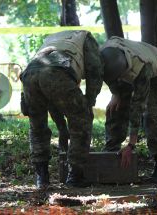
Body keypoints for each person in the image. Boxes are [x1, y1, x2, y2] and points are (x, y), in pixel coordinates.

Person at [20, 30, 103, 188]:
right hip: (56, 71)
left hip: (29, 74)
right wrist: (89, 102)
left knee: (37, 127)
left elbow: (52, 98)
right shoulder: (87, 38)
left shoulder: (53, 38)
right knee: (82, 119)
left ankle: (41, 178)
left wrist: (62, 128)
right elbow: (95, 71)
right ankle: (75, 176)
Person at [100, 36, 157, 183]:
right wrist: (115, 94)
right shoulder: (102, 56)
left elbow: (138, 105)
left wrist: (131, 144)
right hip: (126, 71)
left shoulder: (142, 68)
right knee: (115, 107)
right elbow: (107, 77)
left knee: (153, 114)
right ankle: (110, 153)